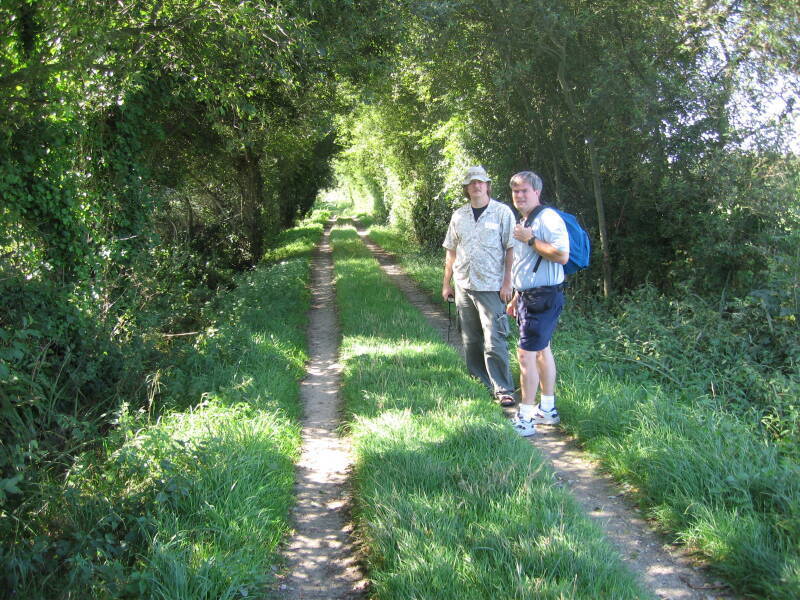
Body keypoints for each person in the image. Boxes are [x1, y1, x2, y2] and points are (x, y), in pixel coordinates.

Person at [442, 165, 516, 406]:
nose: (476, 185)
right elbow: (451, 252)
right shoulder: (459, 216)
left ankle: (503, 389)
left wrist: (508, 282)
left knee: (494, 339)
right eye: (472, 182)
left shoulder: (502, 212)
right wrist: (447, 284)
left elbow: (511, 249)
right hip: (463, 284)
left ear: (487, 185)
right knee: (471, 339)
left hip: (492, 287)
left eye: (481, 182)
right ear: (466, 188)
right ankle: (478, 382)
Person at [505, 171, 570, 436]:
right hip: (529, 297)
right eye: (516, 191)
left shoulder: (548, 218)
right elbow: (527, 266)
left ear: (537, 192)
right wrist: (516, 296)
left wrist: (531, 239)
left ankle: (526, 418)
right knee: (542, 351)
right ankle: (548, 410)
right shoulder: (525, 220)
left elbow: (562, 255)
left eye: (525, 191)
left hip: (543, 297)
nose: (520, 196)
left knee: (526, 355)